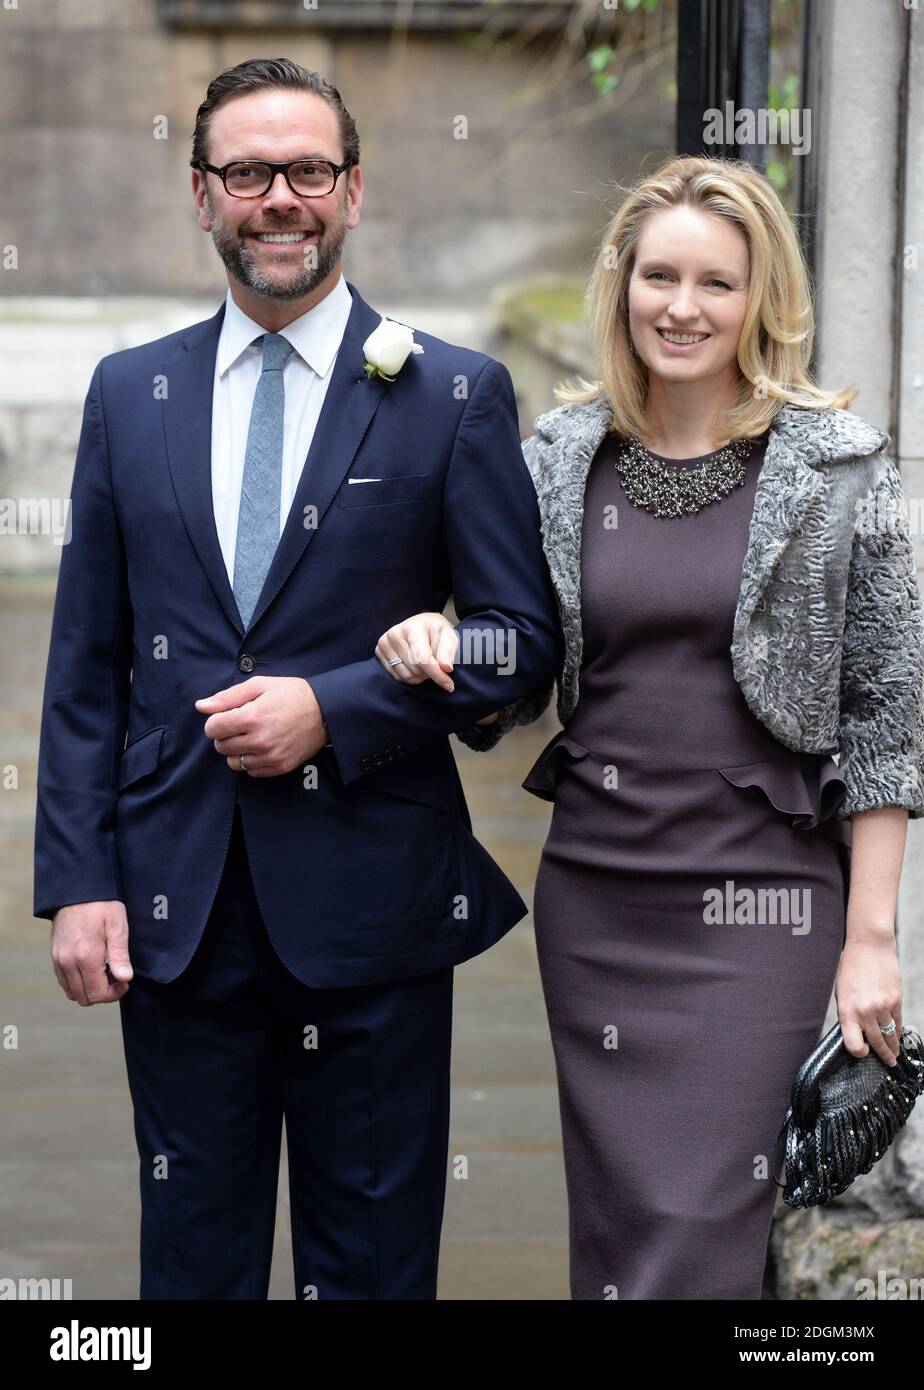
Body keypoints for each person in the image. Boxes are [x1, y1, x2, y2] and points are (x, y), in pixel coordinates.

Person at [32, 57, 562, 1300]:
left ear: (355, 190)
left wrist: (341, 704)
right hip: (175, 909)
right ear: (202, 194)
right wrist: (78, 881)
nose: (281, 197)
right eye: (249, 173)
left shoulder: (453, 395)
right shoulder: (131, 393)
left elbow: (518, 645)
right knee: (192, 1269)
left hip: (373, 906)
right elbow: (85, 667)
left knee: (372, 1269)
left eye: (308, 171)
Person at [373, 155, 924, 1300]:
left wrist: (871, 938)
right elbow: (513, 666)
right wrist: (435, 638)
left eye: (717, 283)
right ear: (622, 286)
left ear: (761, 299)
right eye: (660, 275)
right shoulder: (560, 460)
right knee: (625, 1234)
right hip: (601, 898)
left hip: (761, 903)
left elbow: (888, 720)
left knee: (696, 1216)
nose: (683, 307)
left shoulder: (840, 470)